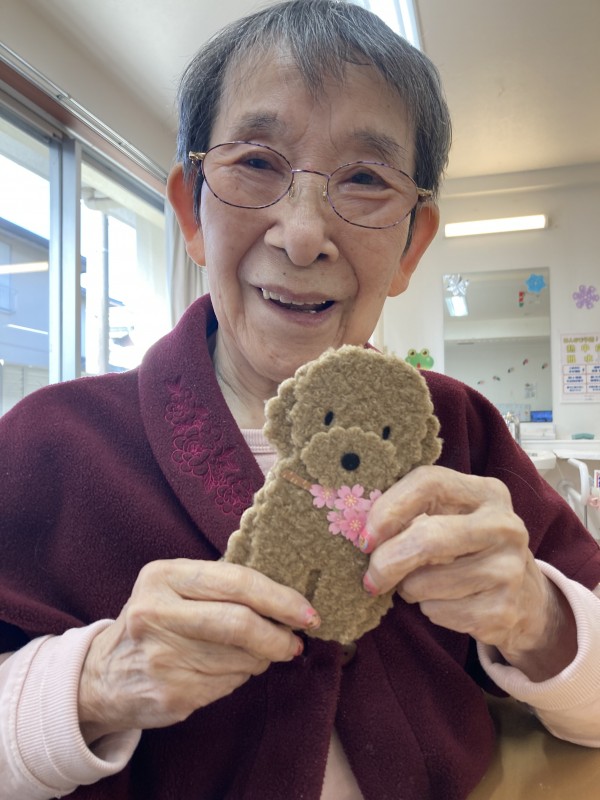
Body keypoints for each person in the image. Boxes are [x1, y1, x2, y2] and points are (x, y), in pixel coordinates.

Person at [1, 1, 600, 798]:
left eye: (365, 179)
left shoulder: (460, 432)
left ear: (412, 244)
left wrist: (539, 618)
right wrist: (95, 681)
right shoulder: (49, 443)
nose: (304, 233)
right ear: (190, 211)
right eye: (256, 162)